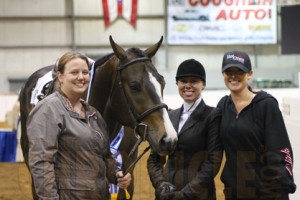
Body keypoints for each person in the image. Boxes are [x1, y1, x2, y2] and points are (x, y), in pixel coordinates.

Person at [27, 51, 132, 200]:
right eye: (74, 72)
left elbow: (105, 156)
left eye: (85, 72)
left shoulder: (93, 113)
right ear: (60, 76)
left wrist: (116, 174)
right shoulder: (48, 110)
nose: (81, 77)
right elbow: (41, 163)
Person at [217, 50, 296, 200]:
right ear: (223, 75)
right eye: (229, 71)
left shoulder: (266, 105)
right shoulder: (223, 106)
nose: (233, 76)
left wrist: (281, 190)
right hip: (234, 193)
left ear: (249, 74)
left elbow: (281, 152)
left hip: (266, 194)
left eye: (239, 71)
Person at [147, 59, 223, 200]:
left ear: (203, 84)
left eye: (194, 81)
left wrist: (185, 194)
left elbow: (213, 162)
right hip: (167, 195)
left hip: (197, 194)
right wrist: (161, 184)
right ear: (177, 84)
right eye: (183, 81)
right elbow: (154, 159)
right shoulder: (170, 116)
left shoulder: (212, 115)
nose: (188, 85)